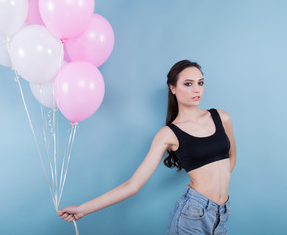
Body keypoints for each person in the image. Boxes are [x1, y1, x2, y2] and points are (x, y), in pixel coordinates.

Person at [57, 60, 237, 235]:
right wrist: (83, 209)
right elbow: (133, 185)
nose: (197, 89)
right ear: (173, 88)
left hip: (221, 213)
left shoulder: (221, 117)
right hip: (192, 215)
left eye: (200, 83)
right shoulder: (168, 134)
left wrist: (217, 192)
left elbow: (231, 158)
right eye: (188, 84)